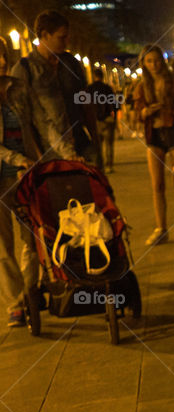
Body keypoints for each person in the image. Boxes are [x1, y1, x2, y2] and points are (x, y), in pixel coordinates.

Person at [0, 36, 74, 326]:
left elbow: (43, 125)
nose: (2, 62)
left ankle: (31, 292)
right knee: (3, 246)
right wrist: (15, 159)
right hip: (9, 172)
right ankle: (15, 302)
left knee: (32, 238)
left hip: (27, 175)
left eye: (3, 55)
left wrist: (68, 154)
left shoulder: (18, 89)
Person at [12, 10, 97, 165]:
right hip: (48, 153)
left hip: (81, 145)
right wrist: (34, 157)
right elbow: (23, 119)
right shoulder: (25, 69)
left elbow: (86, 104)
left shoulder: (71, 63)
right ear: (45, 35)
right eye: (61, 37)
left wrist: (95, 140)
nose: (67, 42)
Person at [132, 45, 174, 246]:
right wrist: (146, 112)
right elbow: (138, 114)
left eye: (157, 60)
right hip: (155, 135)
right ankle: (161, 228)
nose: (154, 65)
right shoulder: (142, 86)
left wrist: (170, 111)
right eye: (149, 61)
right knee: (157, 185)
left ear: (163, 61)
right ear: (143, 63)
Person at [87, 67, 118, 172]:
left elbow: (86, 105)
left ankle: (99, 166)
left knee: (97, 144)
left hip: (95, 120)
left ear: (94, 76)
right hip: (107, 119)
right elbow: (114, 104)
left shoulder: (89, 89)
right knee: (109, 144)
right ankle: (109, 165)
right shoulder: (107, 88)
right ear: (102, 76)